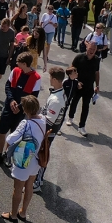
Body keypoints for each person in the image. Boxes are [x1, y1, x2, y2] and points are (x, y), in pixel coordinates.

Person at [0, 52, 42, 166]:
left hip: (21, 111)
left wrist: (20, 106)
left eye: (18, 62)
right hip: (9, 107)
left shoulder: (36, 78)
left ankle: (7, 155)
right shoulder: (15, 71)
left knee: (14, 134)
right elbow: (8, 87)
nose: (16, 63)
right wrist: (12, 100)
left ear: (24, 64)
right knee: (2, 131)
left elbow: (33, 96)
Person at [1, 95, 46, 221]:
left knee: (18, 188)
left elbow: (10, 138)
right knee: (29, 186)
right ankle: (23, 212)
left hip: (23, 159)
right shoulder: (43, 120)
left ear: (25, 110)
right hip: (36, 160)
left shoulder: (25, 123)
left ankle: (13, 214)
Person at [33, 67, 71, 195]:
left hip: (48, 132)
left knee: (41, 156)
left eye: (50, 77)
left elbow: (49, 122)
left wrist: (36, 118)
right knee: (42, 154)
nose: (49, 79)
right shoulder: (58, 92)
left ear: (55, 79)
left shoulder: (56, 100)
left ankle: (37, 183)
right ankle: (39, 179)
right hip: (49, 131)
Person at [68, 40, 101, 137]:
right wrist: (76, 81)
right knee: (74, 102)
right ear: (87, 47)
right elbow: (72, 69)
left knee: (86, 106)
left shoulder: (96, 60)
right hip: (78, 85)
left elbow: (96, 73)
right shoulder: (79, 57)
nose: (92, 51)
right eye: (90, 48)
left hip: (89, 87)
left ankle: (81, 126)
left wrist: (97, 85)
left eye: (94, 49)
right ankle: (70, 117)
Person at [39, 4, 57, 69]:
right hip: (44, 31)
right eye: (49, 9)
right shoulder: (44, 15)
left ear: (53, 10)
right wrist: (40, 29)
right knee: (44, 43)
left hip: (51, 31)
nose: (50, 10)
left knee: (48, 44)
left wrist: (52, 23)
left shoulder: (54, 16)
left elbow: (56, 25)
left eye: (51, 9)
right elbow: (41, 22)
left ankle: (46, 55)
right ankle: (42, 53)